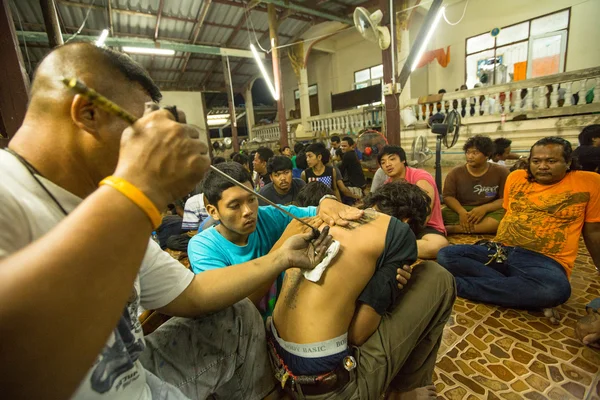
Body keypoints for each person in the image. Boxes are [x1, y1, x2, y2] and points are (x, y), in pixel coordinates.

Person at [0, 42, 303, 400]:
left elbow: (193, 293)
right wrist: (137, 189)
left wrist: (282, 257)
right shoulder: (10, 192)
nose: (151, 144)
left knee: (235, 318)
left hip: (132, 377)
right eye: (141, 131)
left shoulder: (99, 205)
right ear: (87, 113)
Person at [268, 182, 456, 399]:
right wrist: (388, 292)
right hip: (330, 389)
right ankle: (405, 390)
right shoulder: (397, 231)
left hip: (278, 363)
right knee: (437, 277)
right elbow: (358, 334)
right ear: (407, 221)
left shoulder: (326, 218)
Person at [437, 137, 600, 312]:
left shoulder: (589, 182)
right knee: (446, 254)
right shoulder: (516, 177)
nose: (542, 166)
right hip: (501, 250)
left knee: (554, 289)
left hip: (546, 261)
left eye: (551, 161)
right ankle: (520, 289)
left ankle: (452, 285)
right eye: (536, 161)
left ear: (568, 162)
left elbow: (593, 231)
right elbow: (509, 215)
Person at [188, 162, 364, 318]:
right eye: (235, 206)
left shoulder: (268, 216)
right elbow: (237, 312)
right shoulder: (203, 248)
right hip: (246, 338)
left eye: (251, 199)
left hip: (285, 319)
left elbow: (317, 212)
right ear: (213, 211)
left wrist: (327, 201)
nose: (248, 211)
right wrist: (282, 251)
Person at [378, 145, 449, 259]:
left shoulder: (420, 177)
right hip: (398, 229)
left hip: (425, 227)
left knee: (437, 246)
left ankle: (389, 249)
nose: (387, 164)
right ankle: (396, 249)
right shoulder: (387, 186)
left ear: (403, 160)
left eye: (392, 159)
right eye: (383, 162)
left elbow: (424, 215)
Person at [442, 135, 509, 234]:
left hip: (490, 211)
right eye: (468, 152)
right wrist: (461, 212)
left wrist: (484, 209)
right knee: (440, 215)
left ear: (487, 155)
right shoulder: (455, 173)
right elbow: (448, 197)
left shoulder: (501, 172)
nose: (470, 156)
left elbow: (505, 198)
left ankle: (456, 229)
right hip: (462, 209)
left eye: (475, 153)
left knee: (506, 217)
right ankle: (481, 227)